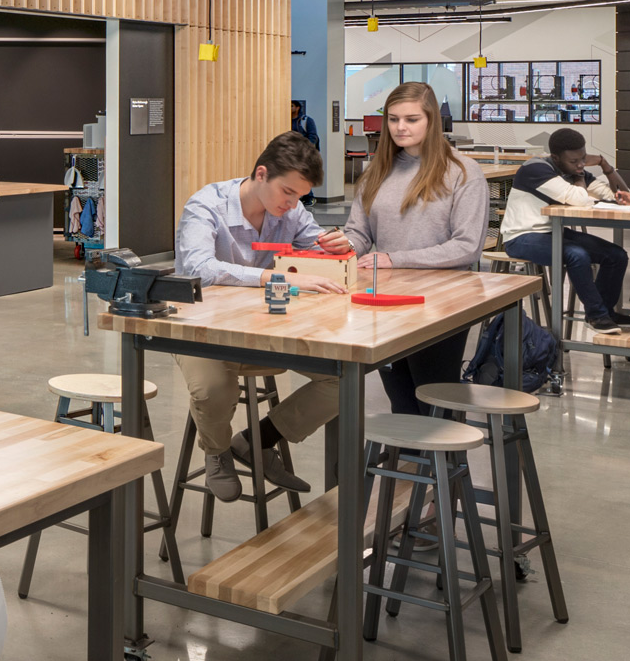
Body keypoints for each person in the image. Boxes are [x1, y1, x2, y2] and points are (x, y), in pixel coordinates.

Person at [175, 132, 352, 499]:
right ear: (261, 174)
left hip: (265, 327)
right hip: (200, 327)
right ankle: (218, 452)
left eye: (300, 197)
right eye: (287, 192)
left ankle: (257, 441)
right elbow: (198, 267)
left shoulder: (292, 210)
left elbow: (313, 249)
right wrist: (274, 277)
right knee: (212, 389)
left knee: (344, 378)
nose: (292, 204)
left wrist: (335, 246)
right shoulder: (206, 205)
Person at [341, 81, 489, 415]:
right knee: (401, 400)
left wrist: (394, 258)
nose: (400, 127)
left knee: (436, 400)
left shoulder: (463, 172)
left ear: (432, 120)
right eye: (393, 119)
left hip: (443, 301)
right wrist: (344, 245)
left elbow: (467, 247)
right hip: (386, 299)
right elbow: (360, 234)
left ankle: (444, 465)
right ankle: (410, 463)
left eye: (410, 119)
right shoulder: (375, 172)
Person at [498, 127, 630, 334]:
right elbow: (579, 199)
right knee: (577, 255)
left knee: (616, 255)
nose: (581, 164)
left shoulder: (573, 171)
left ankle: (605, 313)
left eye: (584, 158)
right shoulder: (535, 169)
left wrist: (605, 165)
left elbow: (622, 195)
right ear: (556, 157)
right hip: (521, 237)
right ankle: (596, 315)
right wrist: (579, 178)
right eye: (574, 161)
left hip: (554, 233)